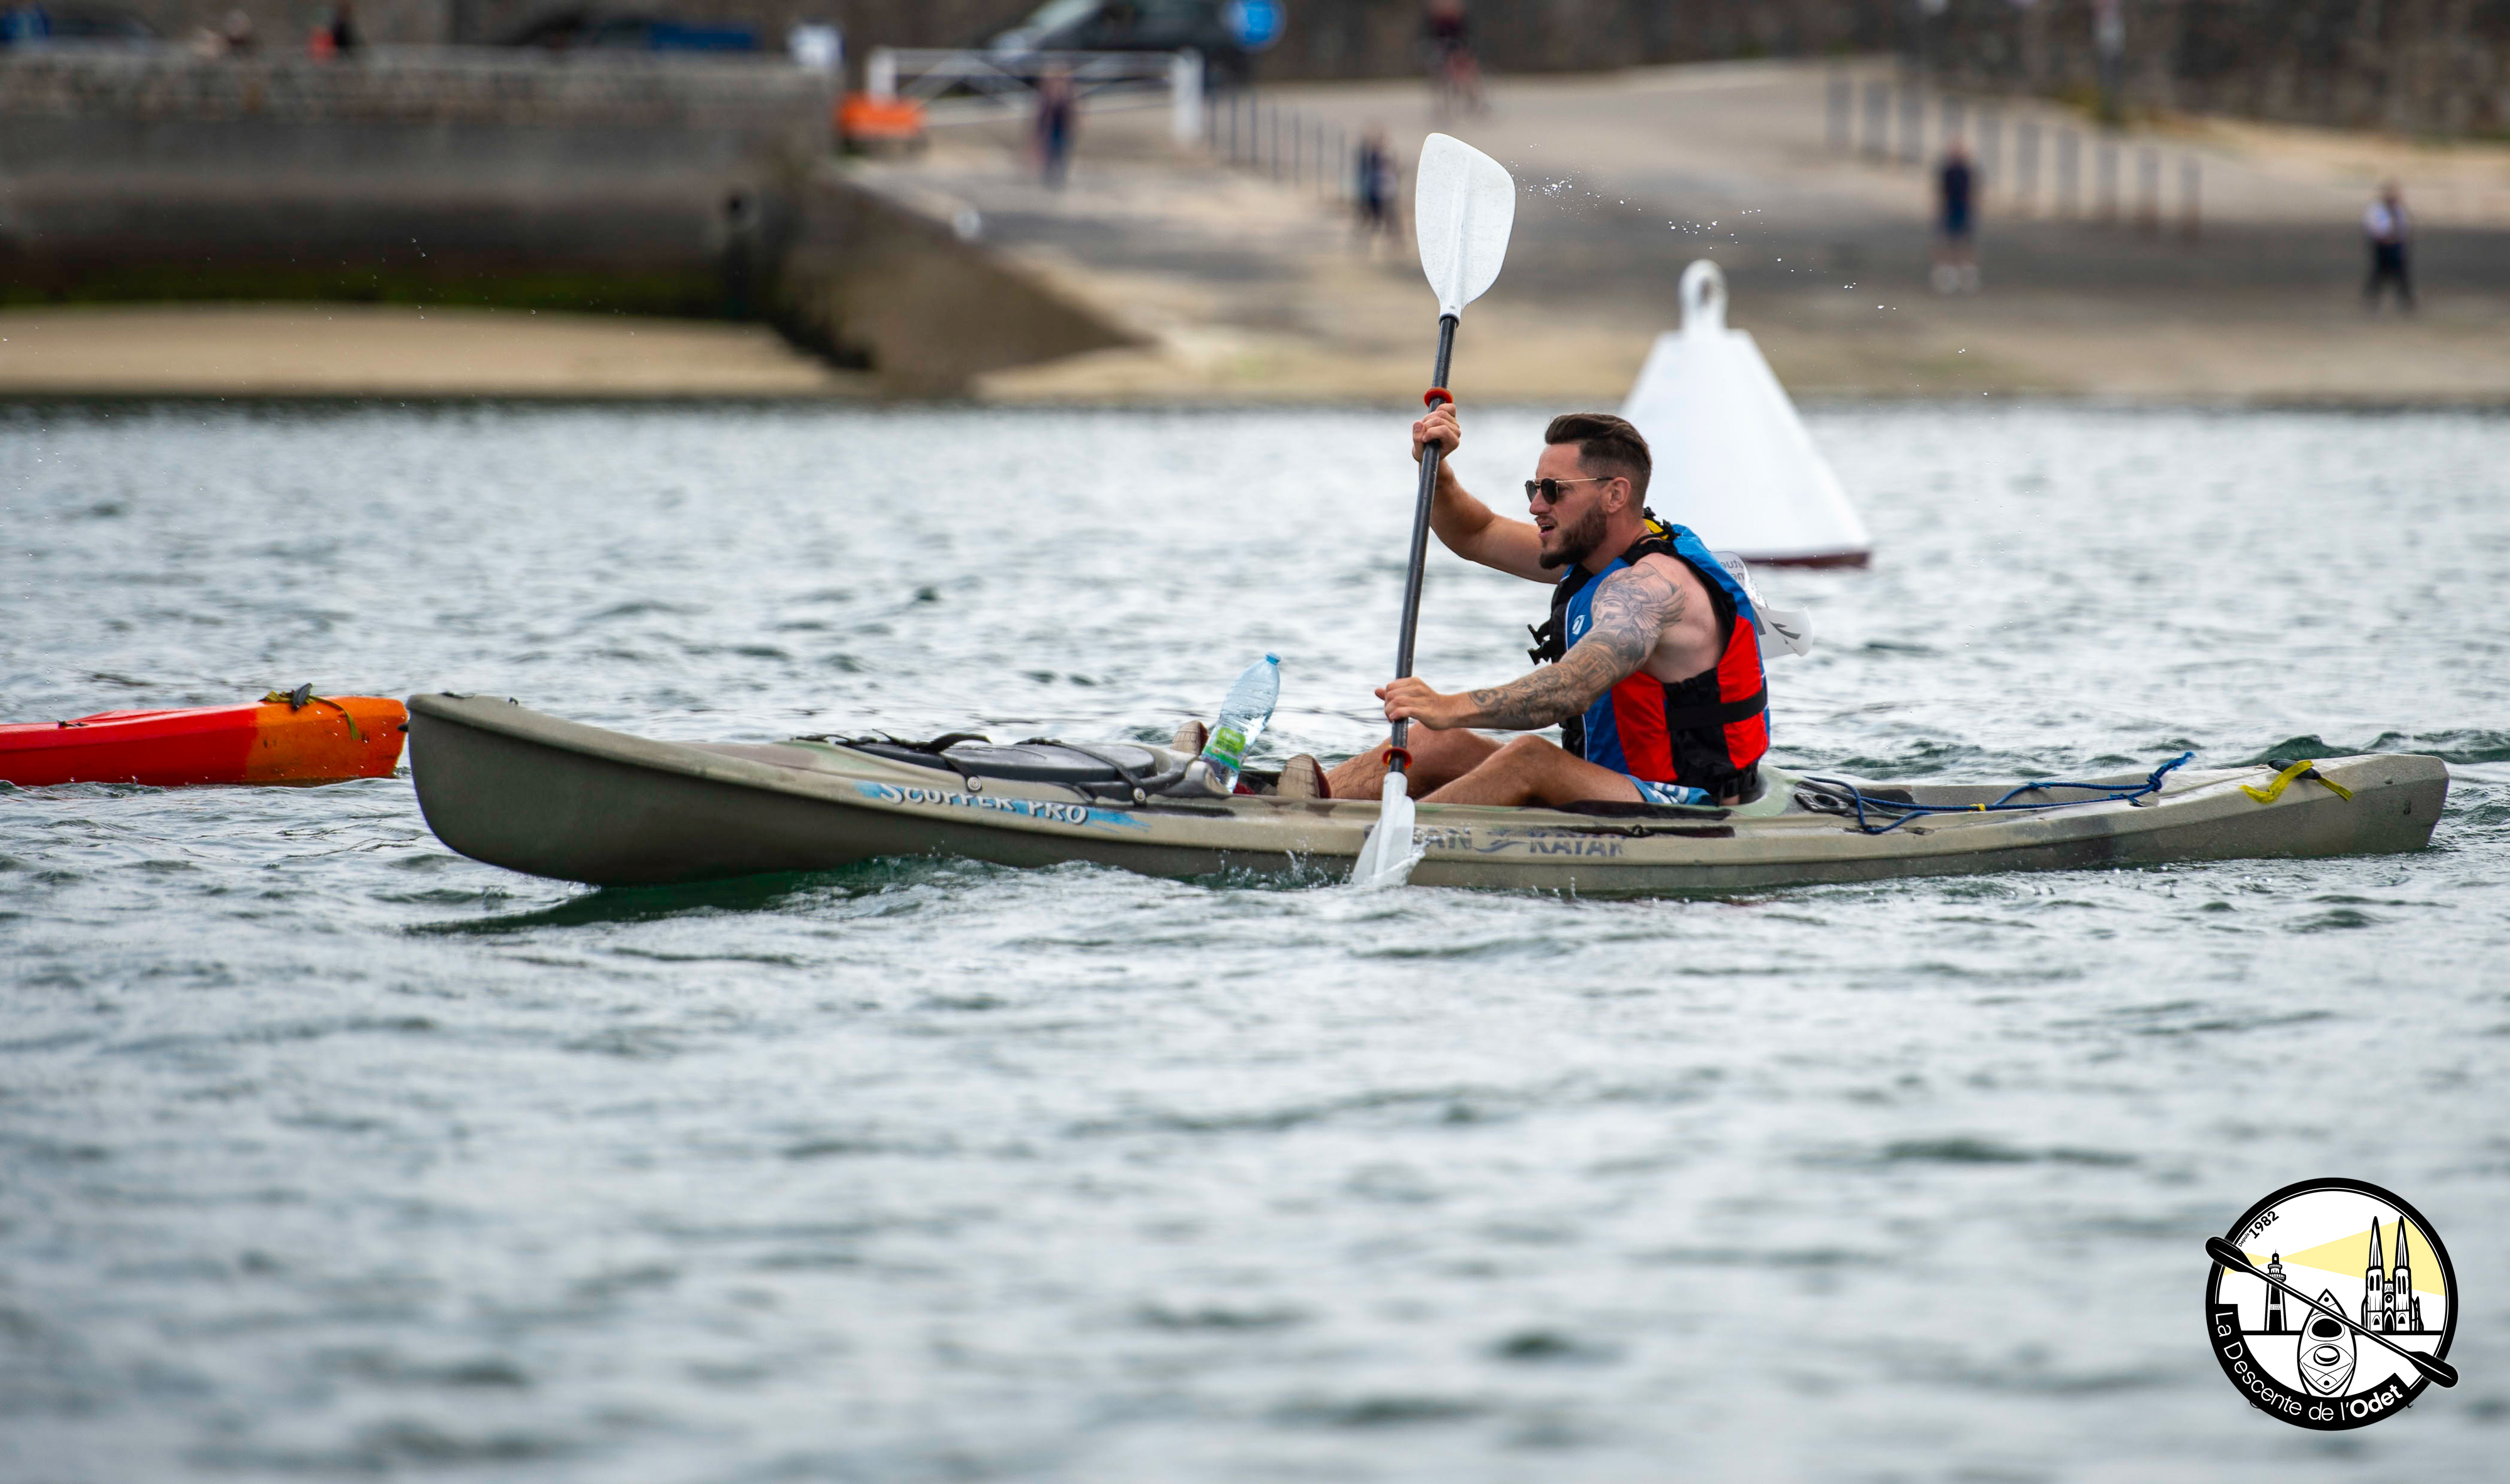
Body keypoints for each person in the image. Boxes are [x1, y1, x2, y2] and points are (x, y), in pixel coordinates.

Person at [1315, 405, 1772, 809]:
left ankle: (1377, 844)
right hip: (1612, 782)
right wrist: (1437, 465)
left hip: (1693, 803)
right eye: (1535, 487)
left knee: (1529, 758)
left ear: (1615, 495)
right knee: (1435, 742)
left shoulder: (1651, 587)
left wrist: (1448, 705)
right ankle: (1297, 807)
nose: (1536, 505)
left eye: (1554, 490)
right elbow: (1475, 533)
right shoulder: (1591, 552)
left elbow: (1573, 687)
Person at [1932, 136, 1977, 294]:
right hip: (1951, 208)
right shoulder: (1949, 171)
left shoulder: (1965, 171)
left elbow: (1972, 191)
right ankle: (1948, 275)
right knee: (1949, 242)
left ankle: (1965, 275)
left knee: (1964, 242)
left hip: (1962, 208)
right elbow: (1941, 191)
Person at [2364, 179, 2413, 312]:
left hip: (2396, 245)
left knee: (2401, 274)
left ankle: (2407, 302)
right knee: (2380, 273)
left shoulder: (2399, 209)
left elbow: (2404, 227)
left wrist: (2400, 240)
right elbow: (2372, 226)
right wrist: (2384, 237)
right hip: (2382, 246)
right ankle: (2372, 300)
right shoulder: (2376, 209)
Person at [1033, 64, 1077, 188]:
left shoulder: (1067, 94)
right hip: (1052, 129)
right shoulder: (1048, 94)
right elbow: (1044, 115)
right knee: (1050, 153)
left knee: (1060, 153)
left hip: (1061, 129)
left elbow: (1071, 113)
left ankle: (1059, 178)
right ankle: (1050, 178)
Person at [1354, 127, 1397, 252]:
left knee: (1389, 220)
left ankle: (1392, 244)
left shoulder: (1387, 154)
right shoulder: (1374, 155)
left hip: (1386, 192)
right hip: (1376, 192)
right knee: (1375, 220)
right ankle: (1369, 244)